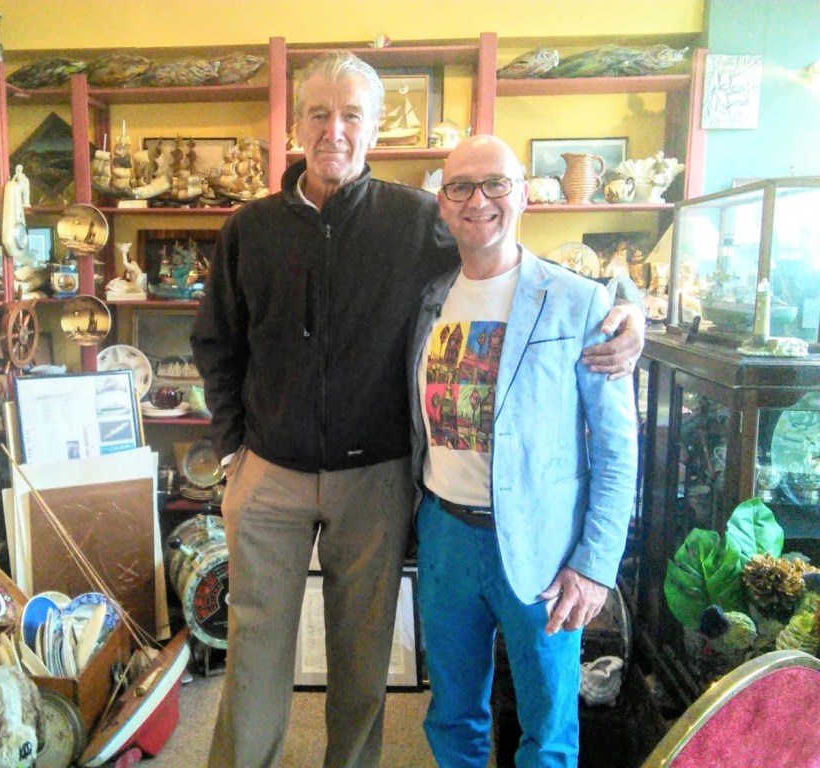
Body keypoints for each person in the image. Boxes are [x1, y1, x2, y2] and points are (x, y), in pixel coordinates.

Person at [191, 52, 642, 768]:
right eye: (319, 113)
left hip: (377, 477)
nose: (335, 130)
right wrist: (230, 450)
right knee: (255, 651)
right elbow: (216, 341)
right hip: (270, 471)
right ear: (297, 124)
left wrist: (629, 311)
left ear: (375, 128)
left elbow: (508, 254)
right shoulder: (250, 228)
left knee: (363, 654)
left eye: (352, 115)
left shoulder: (417, 218)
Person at [407, 135, 639, 767]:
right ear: (443, 202)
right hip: (446, 534)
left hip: (544, 542)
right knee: (452, 711)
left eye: (496, 184)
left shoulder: (580, 301)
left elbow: (617, 449)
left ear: (525, 195)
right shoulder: (428, 299)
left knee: (548, 725)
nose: (478, 200)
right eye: (461, 187)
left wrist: (595, 565)